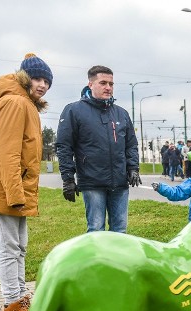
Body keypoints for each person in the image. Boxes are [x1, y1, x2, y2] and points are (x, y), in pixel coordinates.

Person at [0, 53, 52, 311]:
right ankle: (12, 304)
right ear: (24, 77)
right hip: (5, 191)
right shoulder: (16, 103)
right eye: (37, 78)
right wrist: (15, 194)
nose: (42, 85)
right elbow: (7, 154)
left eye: (47, 80)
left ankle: (19, 297)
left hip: (12, 190)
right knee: (8, 247)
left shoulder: (24, 103)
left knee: (18, 247)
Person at [56, 65, 141, 233]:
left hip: (120, 182)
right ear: (91, 84)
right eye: (103, 83)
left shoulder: (121, 113)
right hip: (92, 182)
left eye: (111, 83)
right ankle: (97, 260)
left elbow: (131, 144)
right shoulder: (74, 110)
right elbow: (64, 146)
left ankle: (116, 260)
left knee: (120, 229)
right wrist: (68, 178)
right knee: (96, 229)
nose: (108, 87)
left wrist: (133, 168)